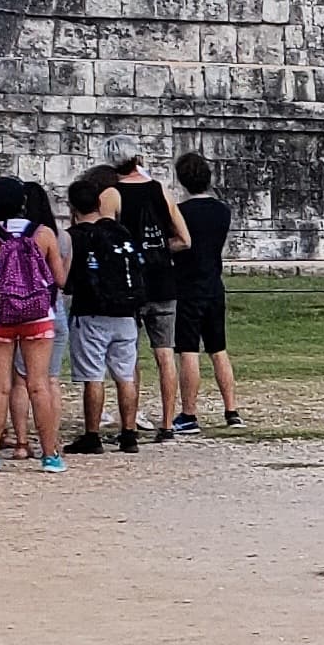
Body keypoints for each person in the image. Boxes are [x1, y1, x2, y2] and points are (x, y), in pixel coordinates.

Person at [0, 177, 66, 472]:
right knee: (38, 386)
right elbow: (60, 279)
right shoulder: (44, 234)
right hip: (37, 316)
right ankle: (50, 455)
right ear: (23, 202)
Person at [61, 171, 147, 454]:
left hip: (91, 312)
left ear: (72, 206)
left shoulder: (74, 237)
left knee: (93, 376)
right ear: (99, 202)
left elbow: (68, 278)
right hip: (126, 311)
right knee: (125, 374)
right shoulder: (119, 231)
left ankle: (92, 434)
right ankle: (129, 432)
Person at [112, 150, 189, 444]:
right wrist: (157, 250)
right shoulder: (160, 191)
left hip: (130, 282)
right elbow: (184, 239)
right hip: (163, 280)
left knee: (129, 355)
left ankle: (128, 424)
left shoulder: (113, 194)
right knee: (165, 354)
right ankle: (168, 423)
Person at [169, 151, 239, 428]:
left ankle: (189, 413)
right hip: (214, 282)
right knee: (218, 348)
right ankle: (231, 410)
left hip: (188, 284)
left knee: (188, 349)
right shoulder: (222, 210)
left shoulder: (181, 212)